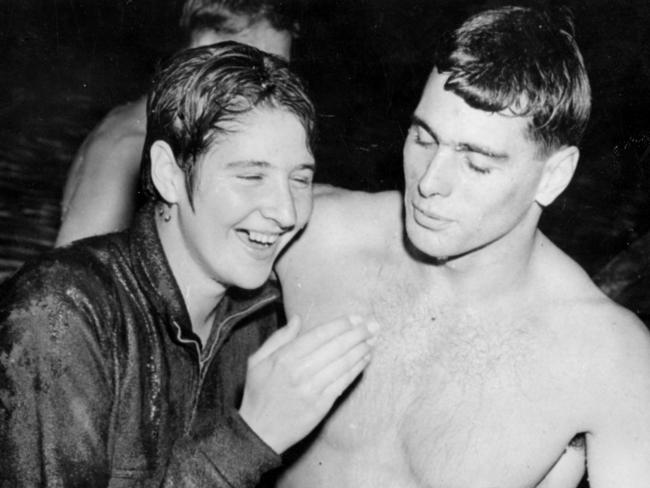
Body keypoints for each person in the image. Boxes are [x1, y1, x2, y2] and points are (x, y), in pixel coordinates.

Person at [275, 6, 650, 487]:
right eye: (423, 138)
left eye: (477, 163)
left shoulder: (608, 358)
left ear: (553, 175)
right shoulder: (319, 231)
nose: (430, 183)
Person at [0, 42, 378, 487]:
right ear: (168, 173)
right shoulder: (61, 313)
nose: (287, 211)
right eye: (251, 176)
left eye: (300, 179)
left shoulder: (262, 320)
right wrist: (253, 436)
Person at [56, 0, 298, 247]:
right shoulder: (128, 149)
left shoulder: (185, 127)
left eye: (282, 71)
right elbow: (66, 278)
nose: (274, 87)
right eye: (254, 71)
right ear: (201, 50)